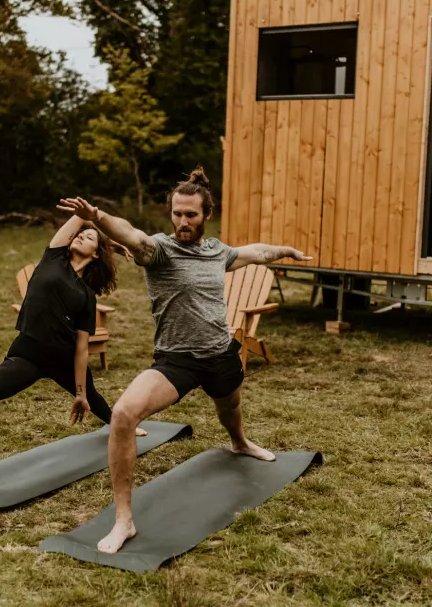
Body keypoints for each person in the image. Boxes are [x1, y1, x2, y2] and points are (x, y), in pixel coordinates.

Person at [58, 167, 312, 552]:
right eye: (177, 213)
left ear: (206, 215)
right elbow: (133, 236)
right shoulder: (158, 250)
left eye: (190, 215)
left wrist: (285, 251)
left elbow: (254, 252)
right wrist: (99, 218)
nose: (182, 221)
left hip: (221, 351)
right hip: (176, 360)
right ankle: (124, 519)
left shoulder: (216, 252)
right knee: (124, 414)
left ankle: (240, 443)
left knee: (231, 407)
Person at [0, 215, 146, 501]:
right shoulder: (53, 258)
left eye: (88, 238)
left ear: (95, 254)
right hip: (28, 353)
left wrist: (79, 393)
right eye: (80, 235)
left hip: (63, 358)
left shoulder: (86, 296)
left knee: (92, 395)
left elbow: (80, 348)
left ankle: (120, 424)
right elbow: (78, 219)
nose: (80, 236)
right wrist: (106, 237)